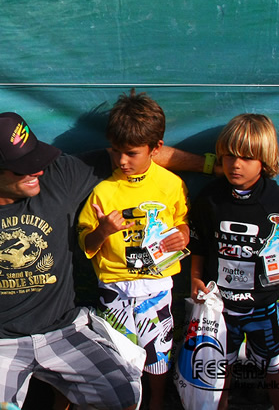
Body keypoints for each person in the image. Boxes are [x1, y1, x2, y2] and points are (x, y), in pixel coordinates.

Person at [0, 110, 213, 410]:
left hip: (63, 330)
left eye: (36, 158)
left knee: (124, 396)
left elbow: (140, 151)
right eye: (24, 167)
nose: (38, 170)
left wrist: (213, 165)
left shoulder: (60, 177)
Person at [77, 90, 189, 410]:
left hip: (157, 286)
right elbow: (86, 245)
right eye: (116, 151)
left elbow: (182, 223)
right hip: (114, 288)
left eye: (131, 153)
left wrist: (182, 236)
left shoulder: (172, 184)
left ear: (156, 148)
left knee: (158, 353)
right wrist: (103, 231)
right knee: (119, 357)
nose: (121, 161)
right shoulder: (102, 191)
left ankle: (156, 400)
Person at [189, 113, 279, 410]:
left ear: (265, 159)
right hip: (219, 307)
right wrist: (195, 278)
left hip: (262, 306)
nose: (235, 164)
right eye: (229, 156)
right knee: (219, 366)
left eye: (247, 157)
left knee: (273, 365)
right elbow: (199, 243)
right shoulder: (209, 198)